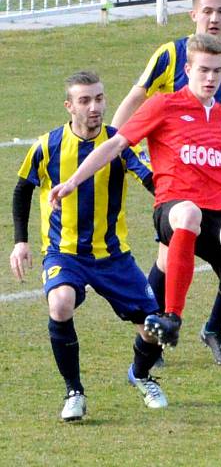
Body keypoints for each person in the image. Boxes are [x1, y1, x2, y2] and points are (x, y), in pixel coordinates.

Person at [50, 34, 221, 440]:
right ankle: (171, 316)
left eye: (217, 71)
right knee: (188, 213)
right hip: (175, 211)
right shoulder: (164, 106)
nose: (210, 78)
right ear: (187, 70)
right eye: (202, 70)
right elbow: (115, 144)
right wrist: (71, 181)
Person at [113, 0, 221, 367]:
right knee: (169, 261)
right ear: (194, 15)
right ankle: (151, 332)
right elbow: (138, 98)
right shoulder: (171, 55)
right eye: (207, 11)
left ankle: (213, 328)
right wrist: (116, 143)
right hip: (181, 175)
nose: (214, 18)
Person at [10, 71, 167, 422]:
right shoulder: (47, 145)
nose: (94, 107)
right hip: (64, 253)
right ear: (69, 106)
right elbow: (22, 189)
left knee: (153, 327)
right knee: (61, 304)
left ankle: (140, 375)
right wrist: (20, 242)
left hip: (113, 255)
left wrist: (175, 208)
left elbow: (149, 179)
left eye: (99, 98)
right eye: (84, 100)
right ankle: (74, 392)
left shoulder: (119, 143)